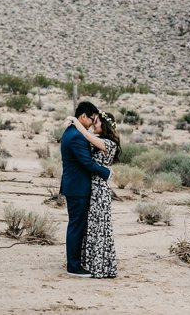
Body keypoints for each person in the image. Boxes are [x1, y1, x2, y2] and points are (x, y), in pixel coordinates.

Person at [60, 101, 112, 278]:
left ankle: (75, 262)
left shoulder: (73, 131)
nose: (91, 123)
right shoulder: (75, 136)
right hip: (77, 188)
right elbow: (86, 162)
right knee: (76, 226)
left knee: (77, 225)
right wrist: (106, 172)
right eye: (91, 119)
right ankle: (73, 266)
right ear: (83, 116)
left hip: (75, 186)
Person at [67, 110, 121, 278]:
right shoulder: (101, 141)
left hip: (99, 190)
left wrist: (75, 121)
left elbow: (88, 137)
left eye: (96, 121)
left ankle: (101, 265)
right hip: (93, 188)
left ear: (104, 125)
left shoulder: (108, 143)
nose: (93, 124)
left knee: (99, 227)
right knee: (92, 226)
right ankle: (91, 262)